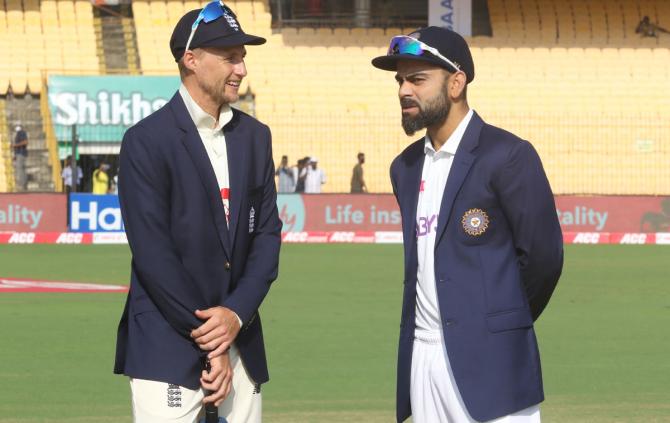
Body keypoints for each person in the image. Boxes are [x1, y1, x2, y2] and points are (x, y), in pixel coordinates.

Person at [372, 27, 563, 423]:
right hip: (422, 361)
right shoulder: (404, 168)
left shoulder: (509, 156)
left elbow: (544, 259)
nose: (404, 90)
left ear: (456, 82)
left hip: (492, 365)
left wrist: (497, 324)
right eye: (400, 80)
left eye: (418, 79)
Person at [113, 2, 282, 422]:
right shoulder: (146, 141)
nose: (241, 68)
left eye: (243, 57)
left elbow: (266, 238)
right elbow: (154, 257)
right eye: (230, 57)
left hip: (240, 336)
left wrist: (235, 316)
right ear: (191, 59)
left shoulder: (255, 138)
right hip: (166, 343)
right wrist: (213, 339)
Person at [12, 124, 28, 191]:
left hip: (21, 153)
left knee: (20, 169)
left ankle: (22, 185)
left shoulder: (21, 132)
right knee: (22, 169)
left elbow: (25, 142)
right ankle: (24, 185)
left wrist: (14, 145)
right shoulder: (19, 133)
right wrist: (15, 156)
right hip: (19, 153)